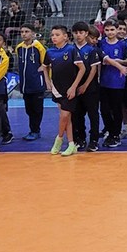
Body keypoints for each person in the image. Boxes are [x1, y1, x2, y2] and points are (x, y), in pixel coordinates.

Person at [43, 25, 84, 157]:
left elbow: (82, 69)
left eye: (57, 35)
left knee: (65, 116)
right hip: (57, 88)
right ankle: (71, 144)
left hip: (70, 88)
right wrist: (48, 82)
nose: (54, 37)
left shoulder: (72, 49)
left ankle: (59, 139)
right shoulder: (49, 52)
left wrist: (74, 87)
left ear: (65, 37)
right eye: (53, 35)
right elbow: (44, 67)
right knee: (67, 118)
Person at [69, 22, 102, 152]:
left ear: (86, 34)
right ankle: (80, 139)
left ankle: (94, 140)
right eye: (76, 33)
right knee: (77, 115)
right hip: (75, 87)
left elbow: (94, 69)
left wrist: (85, 85)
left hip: (90, 87)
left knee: (93, 114)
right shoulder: (70, 49)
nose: (78, 35)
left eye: (81, 32)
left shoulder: (91, 50)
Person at [98, 19, 127, 148]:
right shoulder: (101, 44)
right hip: (104, 82)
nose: (110, 32)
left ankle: (115, 135)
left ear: (117, 30)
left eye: (112, 30)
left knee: (116, 109)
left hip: (117, 81)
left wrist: (117, 61)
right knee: (104, 110)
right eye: (107, 30)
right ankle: (109, 130)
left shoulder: (122, 45)